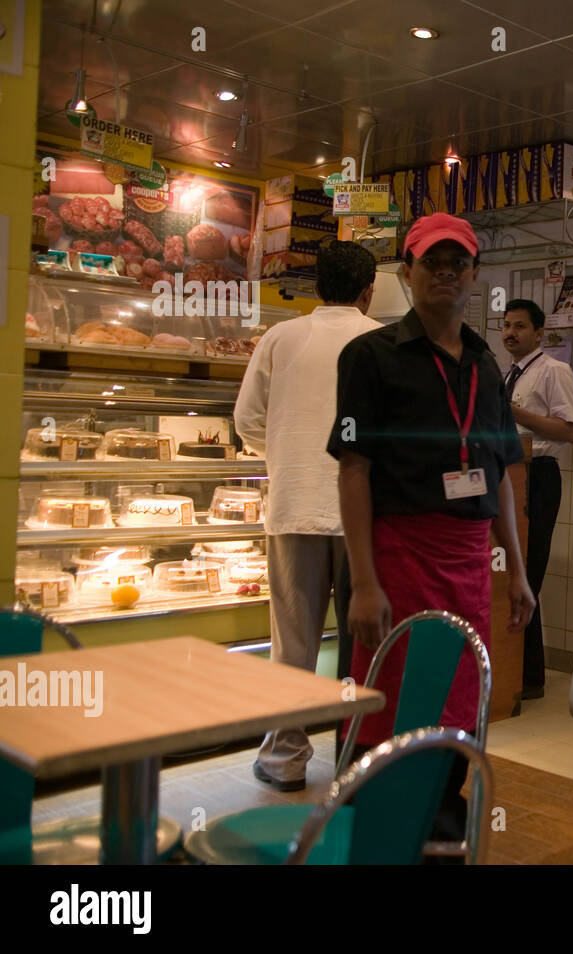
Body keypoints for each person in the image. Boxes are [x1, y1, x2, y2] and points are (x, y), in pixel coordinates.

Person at [328, 213, 534, 848]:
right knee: (386, 705)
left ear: (474, 274)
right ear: (406, 272)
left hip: (470, 565)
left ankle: (437, 835)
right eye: (431, 262)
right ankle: (379, 837)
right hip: (397, 559)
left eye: (457, 262)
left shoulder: (485, 364)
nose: (445, 272)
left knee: (455, 706)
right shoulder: (369, 356)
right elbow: (354, 472)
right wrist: (363, 582)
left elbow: (497, 474)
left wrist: (518, 573)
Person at [233, 240, 381, 792]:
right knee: (365, 642)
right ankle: (359, 756)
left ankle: (283, 761)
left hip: (293, 507)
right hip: (364, 518)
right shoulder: (382, 340)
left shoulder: (279, 337)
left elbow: (247, 419)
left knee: (292, 644)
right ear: (369, 290)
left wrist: (286, 458)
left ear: (316, 286)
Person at [500, 299, 573, 700]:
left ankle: (531, 678)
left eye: (519, 326)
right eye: (506, 325)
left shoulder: (554, 371)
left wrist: (511, 411)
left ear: (538, 333)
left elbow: (569, 430)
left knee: (528, 573)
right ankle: (516, 671)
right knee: (511, 573)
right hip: (510, 476)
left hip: (540, 477)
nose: (510, 332)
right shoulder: (507, 374)